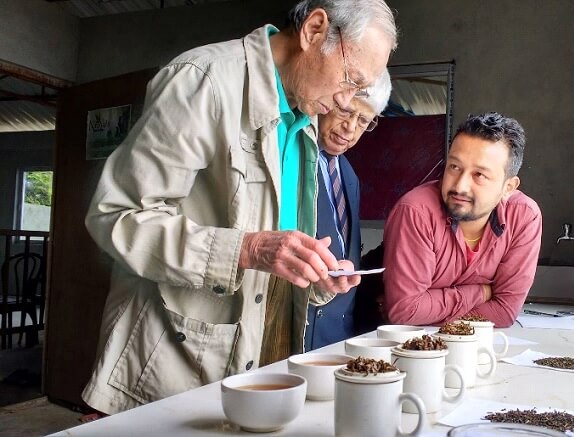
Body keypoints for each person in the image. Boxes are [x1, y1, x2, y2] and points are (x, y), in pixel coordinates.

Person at [81, 0, 397, 414]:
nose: (347, 103)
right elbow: (115, 217)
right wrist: (246, 249)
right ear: (314, 30)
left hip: (262, 353)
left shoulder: (303, 125)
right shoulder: (204, 80)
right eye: (351, 80)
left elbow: (276, 258)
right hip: (170, 364)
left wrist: (315, 276)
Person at [383, 112, 542, 328]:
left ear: (508, 188)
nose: (460, 186)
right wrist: (480, 292)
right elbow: (405, 312)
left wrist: (429, 309)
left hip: (478, 350)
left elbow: (504, 313)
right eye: (454, 167)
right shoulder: (416, 212)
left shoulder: (524, 217)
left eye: (479, 175)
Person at [305, 70, 392, 351]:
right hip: (295, 334)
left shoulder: (349, 175)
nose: (350, 129)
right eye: (345, 112)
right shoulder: (294, 158)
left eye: (363, 120)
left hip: (336, 337)